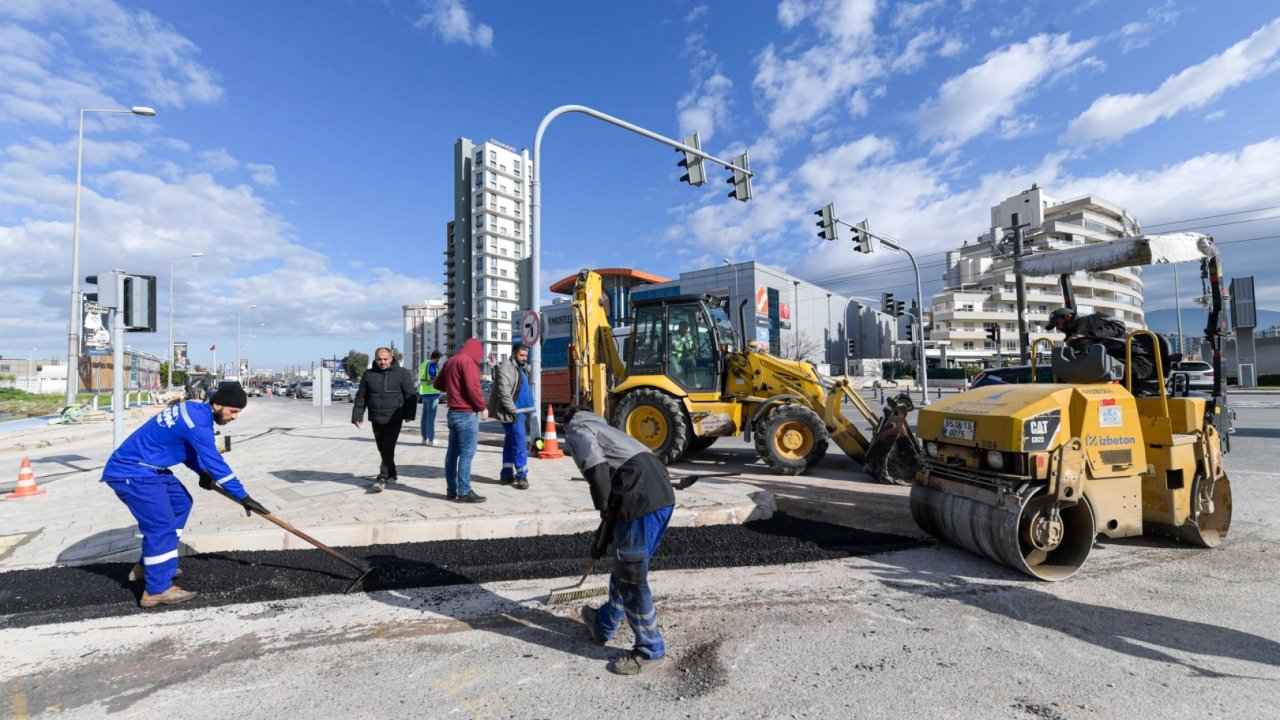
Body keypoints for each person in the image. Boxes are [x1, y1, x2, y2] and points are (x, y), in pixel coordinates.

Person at [101, 383, 268, 608]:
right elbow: (215, 461)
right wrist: (242, 495)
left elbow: (189, 450)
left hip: (151, 469)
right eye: (233, 411)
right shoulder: (198, 423)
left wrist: (202, 472)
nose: (235, 417)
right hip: (133, 472)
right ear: (217, 404)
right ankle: (157, 590)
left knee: (181, 503)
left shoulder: (193, 411)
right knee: (161, 525)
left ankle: (149, 567)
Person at [562, 406, 676, 676]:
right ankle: (603, 624)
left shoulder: (578, 429)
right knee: (627, 567)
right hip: (661, 495)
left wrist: (604, 512)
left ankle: (650, 650)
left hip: (638, 500)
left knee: (632, 578)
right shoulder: (608, 429)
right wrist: (605, 529)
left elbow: (597, 472)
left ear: (567, 425)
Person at [352, 347, 418, 493]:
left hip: (394, 417)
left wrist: (409, 414)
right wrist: (357, 415)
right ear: (375, 359)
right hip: (376, 417)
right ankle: (392, 474)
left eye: (385, 359)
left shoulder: (402, 373)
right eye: (379, 359)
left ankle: (382, 477)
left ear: (391, 358)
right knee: (382, 448)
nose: (382, 362)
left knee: (388, 447)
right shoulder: (368, 375)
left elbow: (410, 395)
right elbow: (361, 396)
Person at [434, 338, 488, 503]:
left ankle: (451, 490)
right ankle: (464, 492)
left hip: (452, 414)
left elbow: (437, 384)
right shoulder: (468, 362)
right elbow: (473, 388)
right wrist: (482, 407)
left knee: (452, 454)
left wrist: (453, 387)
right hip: (466, 414)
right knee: (466, 454)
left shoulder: (451, 361)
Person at [1046, 307, 1153, 382]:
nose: (1058, 328)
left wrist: (1088, 336)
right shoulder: (1073, 338)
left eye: (1057, 323)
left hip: (1136, 359)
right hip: (1113, 361)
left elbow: (1118, 326)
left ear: (1068, 316)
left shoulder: (1090, 320)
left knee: (1108, 374)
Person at [490, 343, 536, 490]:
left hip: (520, 411)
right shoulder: (506, 368)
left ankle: (506, 474)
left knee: (510, 442)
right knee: (519, 443)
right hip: (514, 412)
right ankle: (522, 476)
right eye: (522, 355)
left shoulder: (521, 367)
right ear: (514, 353)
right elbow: (503, 392)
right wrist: (513, 411)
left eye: (526, 356)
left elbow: (534, 371)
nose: (524, 358)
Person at [418, 350, 444, 446]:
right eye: (439, 359)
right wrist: (440, 380)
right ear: (437, 358)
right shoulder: (432, 364)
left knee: (424, 418)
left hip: (423, 393)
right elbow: (432, 379)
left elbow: (423, 379)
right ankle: (431, 440)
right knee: (430, 419)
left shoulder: (423, 363)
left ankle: (424, 439)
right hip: (432, 393)